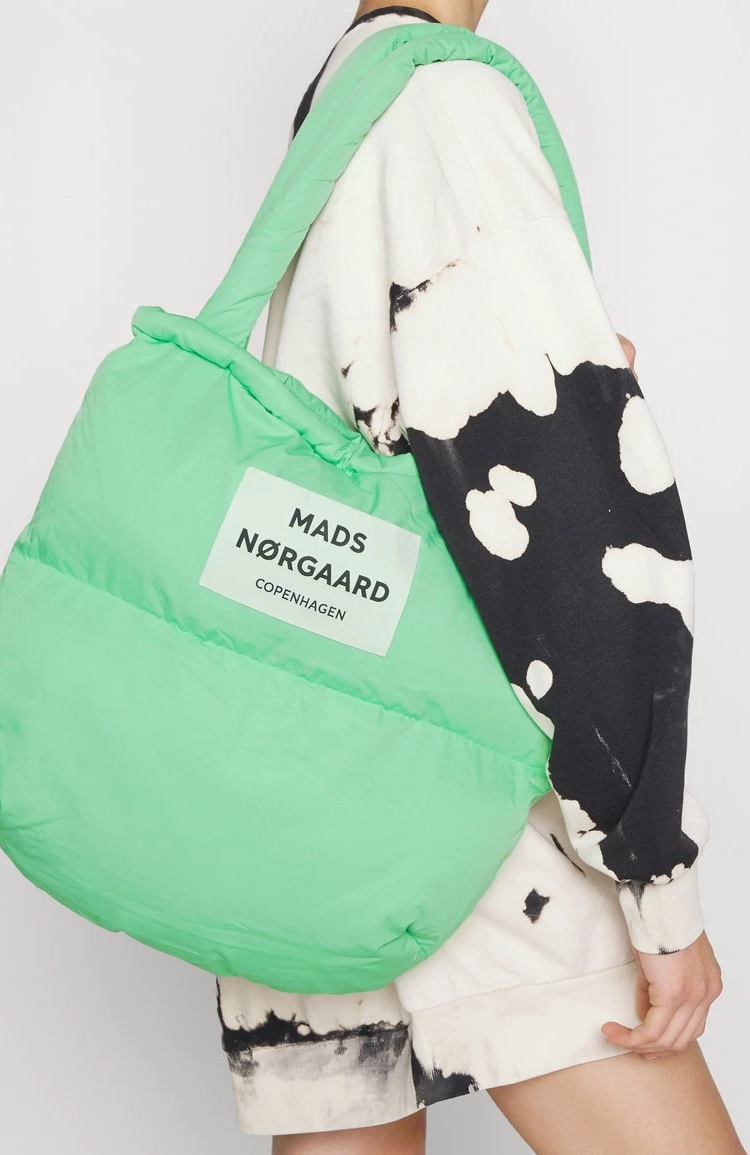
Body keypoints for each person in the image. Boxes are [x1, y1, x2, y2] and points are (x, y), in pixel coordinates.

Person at [215, 3, 744, 1152]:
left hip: (299, 818)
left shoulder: (346, 94)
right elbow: (566, 541)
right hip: (471, 826)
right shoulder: (442, 98)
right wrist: (654, 882)